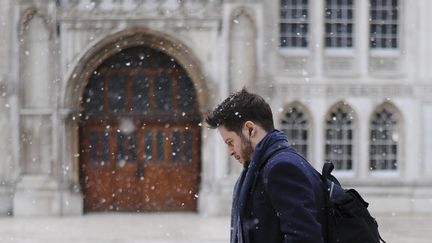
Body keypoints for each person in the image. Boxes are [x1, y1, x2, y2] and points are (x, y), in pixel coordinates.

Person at [205, 88, 327, 243]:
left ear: (250, 129)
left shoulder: (281, 168)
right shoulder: (263, 168)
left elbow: (305, 238)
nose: (230, 151)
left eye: (230, 142)